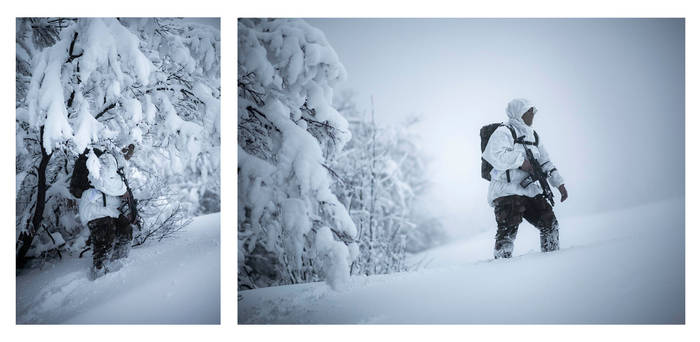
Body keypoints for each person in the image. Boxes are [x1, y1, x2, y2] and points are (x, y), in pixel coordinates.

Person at [482, 98, 569, 259]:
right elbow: (493, 156)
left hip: (528, 190)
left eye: (532, 112)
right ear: (518, 113)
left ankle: (553, 260)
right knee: (507, 232)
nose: (532, 115)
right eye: (528, 111)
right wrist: (521, 162)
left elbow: (545, 161)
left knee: (549, 223)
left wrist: (559, 183)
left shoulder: (534, 136)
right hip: (506, 190)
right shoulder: (504, 132)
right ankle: (500, 267)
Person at [78, 151, 133, 279]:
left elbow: (115, 189)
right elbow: (107, 184)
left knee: (125, 229)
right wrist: (123, 191)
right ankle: (99, 270)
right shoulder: (101, 167)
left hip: (107, 211)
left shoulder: (116, 175)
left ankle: (117, 260)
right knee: (105, 233)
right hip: (93, 210)